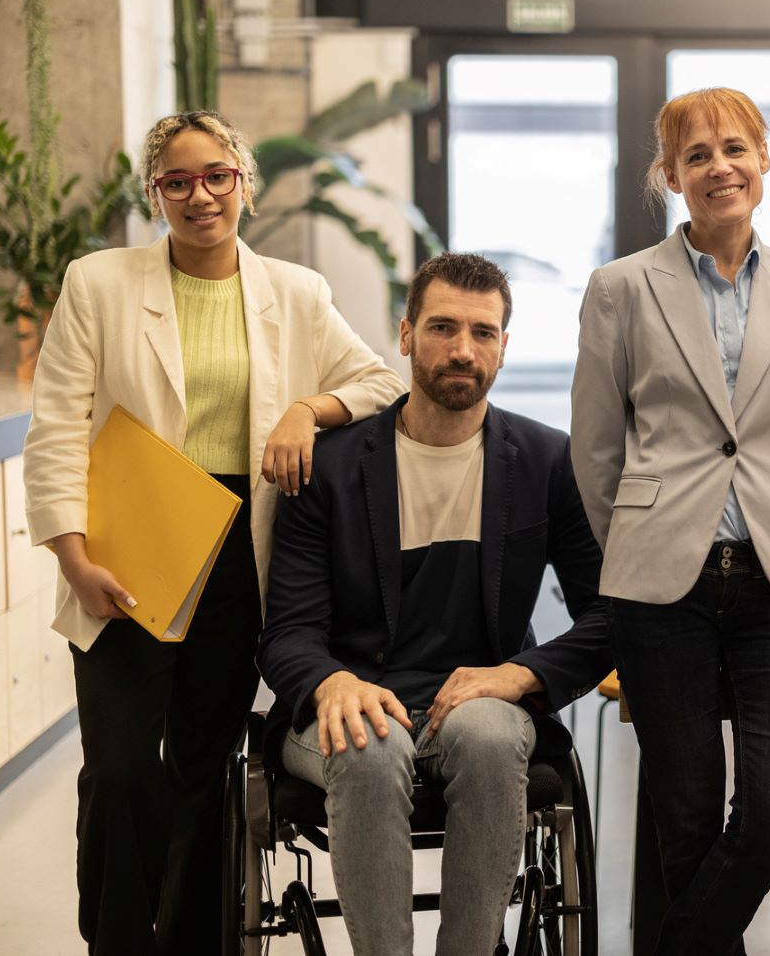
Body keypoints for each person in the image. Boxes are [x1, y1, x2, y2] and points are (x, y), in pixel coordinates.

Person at [21, 110, 404, 956]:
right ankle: (117, 940)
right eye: (178, 181)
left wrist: (308, 407)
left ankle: (195, 942)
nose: (200, 196)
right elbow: (55, 430)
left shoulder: (295, 294)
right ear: (154, 193)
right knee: (121, 772)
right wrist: (73, 559)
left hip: (238, 555)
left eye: (216, 177)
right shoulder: (99, 283)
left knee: (204, 769)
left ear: (244, 185)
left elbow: (379, 381)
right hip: (127, 548)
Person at [257, 251, 610, 955]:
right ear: (405, 334)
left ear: (504, 348)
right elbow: (288, 631)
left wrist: (521, 675)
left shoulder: (546, 463)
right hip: (352, 693)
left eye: (483, 333)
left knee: (483, 734)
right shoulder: (327, 469)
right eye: (443, 327)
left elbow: (607, 614)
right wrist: (331, 683)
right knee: (365, 740)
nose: (461, 349)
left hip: (480, 699)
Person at [570, 86, 770, 953]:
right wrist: (635, 543)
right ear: (670, 177)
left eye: (734, 148)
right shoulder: (621, 288)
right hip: (661, 582)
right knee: (683, 816)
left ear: (764, 160)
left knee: (769, 809)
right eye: (696, 156)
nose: (718, 166)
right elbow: (596, 446)